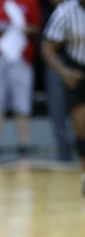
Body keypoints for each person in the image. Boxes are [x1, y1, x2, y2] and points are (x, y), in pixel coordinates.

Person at [0, 0, 41, 158]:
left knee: (22, 102)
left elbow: (36, 26)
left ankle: (24, 146)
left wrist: (18, 27)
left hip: (21, 55)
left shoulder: (30, 2)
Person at [41, 0, 85, 194]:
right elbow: (47, 46)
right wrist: (64, 71)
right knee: (82, 126)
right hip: (78, 71)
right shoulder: (65, 12)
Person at [41, 0, 74, 164]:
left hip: (77, 61)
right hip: (56, 61)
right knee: (57, 109)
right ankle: (64, 152)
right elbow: (46, 46)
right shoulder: (56, 12)